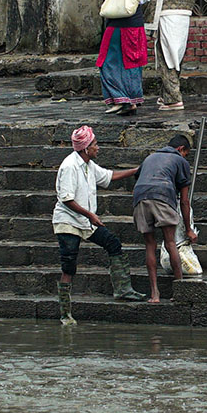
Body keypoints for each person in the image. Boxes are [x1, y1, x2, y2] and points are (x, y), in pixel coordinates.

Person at [54, 125, 148, 326]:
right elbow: (66, 199)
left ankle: (123, 289)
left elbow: (108, 176)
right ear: (86, 148)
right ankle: (65, 314)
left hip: (86, 221)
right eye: (95, 144)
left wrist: (136, 171)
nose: (98, 148)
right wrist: (91, 215)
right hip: (68, 222)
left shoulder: (88, 164)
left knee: (113, 244)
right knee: (69, 266)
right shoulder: (70, 166)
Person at [133, 134, 198, 302]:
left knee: (150, 244)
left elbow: (140, 177)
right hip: (162, 195)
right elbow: (184, 201)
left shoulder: (150, 157)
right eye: (187, 154)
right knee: (170, 242)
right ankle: (179, 290)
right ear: (181, 150)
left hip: (140, 197)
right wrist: (189, 230)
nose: (186, 158)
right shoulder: (180, 161)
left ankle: (155, 294)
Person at [97, 0, 149, 116]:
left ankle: (121, 98)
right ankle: (130, 100)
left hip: (120, 27)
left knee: (106, 62)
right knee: (131, 64)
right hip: (136, 27)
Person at [142, 0, 195, 111]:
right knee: (176, 58)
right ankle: (166, 95)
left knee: (166, 59)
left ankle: (174, 99)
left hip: (166, 20)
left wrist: (148, 25)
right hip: (183, 21)